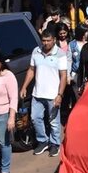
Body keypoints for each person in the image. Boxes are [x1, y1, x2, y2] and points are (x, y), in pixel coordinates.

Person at [20, 29, 67, 157]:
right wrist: (24, 86)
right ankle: (43, 141)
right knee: (35, 118)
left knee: (54, 122)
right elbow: (31, 70)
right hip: (37, 93)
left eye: (48, 40)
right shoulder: (36, 51)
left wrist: (60, 94)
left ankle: (54, 144)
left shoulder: (61, 54)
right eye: (43, 40)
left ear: (54, 40)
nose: (45, 43)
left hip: (53, 95)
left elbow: (63, 76)